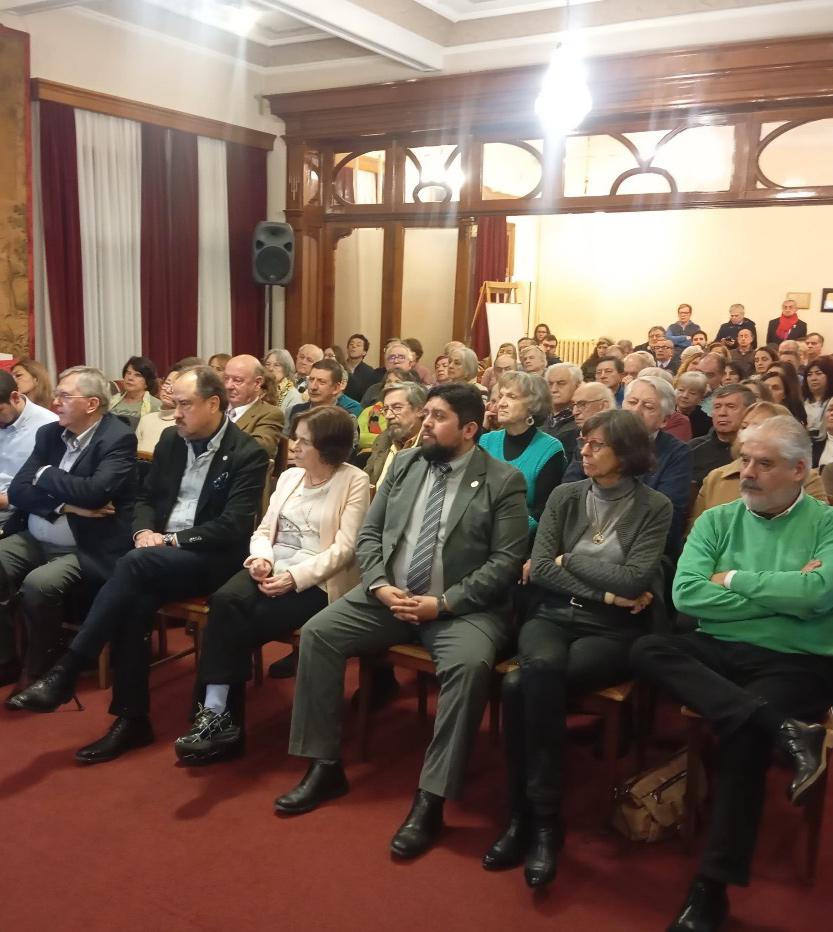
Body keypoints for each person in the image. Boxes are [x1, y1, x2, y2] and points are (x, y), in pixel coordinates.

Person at [274, 383, 528, 860]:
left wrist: (443, 604)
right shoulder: (407, 463)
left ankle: (431, 799)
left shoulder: (503, 480)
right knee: (320, 634)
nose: (425, 423)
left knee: (468, 667)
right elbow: (370, 533)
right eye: (426, 413)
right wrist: (377, 584)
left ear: (470, 429)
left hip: (461, 608)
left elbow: (506, 561)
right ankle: (324, 765)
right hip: (389, 595)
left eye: (438, 417)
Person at [631, 416, 833, 932]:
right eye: (745, 460)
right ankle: (783, 729)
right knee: (649, 647)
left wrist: (734, 579)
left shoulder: (826, 523)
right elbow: (687, 595)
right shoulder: (718, 519)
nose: (747, 472)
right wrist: (786, 594)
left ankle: (711, 888)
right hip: (720, 647)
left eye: (764, 463)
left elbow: (818, 595)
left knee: (742, 741)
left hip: (797, 658)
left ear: (799, 470)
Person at [10, 367, 269, 765]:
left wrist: (170, 540)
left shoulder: (247, 453)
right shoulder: (171, 440)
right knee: (134, 598)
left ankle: (68, 671)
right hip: (156, 557)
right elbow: (145, 499)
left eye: (185, 405)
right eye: (174, 403)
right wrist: (145, 530)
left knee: (133, 567)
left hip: (211, 558)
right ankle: (131, 719)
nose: (175, 413)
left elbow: (233, 526)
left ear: (213, 404)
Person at [484, 410, 672, 889]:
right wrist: (606, 591)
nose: (583, 451)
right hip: (551, 616)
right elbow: (543, 568)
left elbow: (635, 577)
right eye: (583, 442)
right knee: (534, 673)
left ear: (625, 454)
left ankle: (529, 817)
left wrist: (572, 560)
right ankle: (540, 818)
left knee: (520, 684)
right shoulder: (566, 496)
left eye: (596, 445)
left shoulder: (655, 506)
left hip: (611, 632)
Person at [173, 406, 370, 764]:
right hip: (273, 565)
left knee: (232, 623)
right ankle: (219, 717)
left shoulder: (353, 480)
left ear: (328, 448)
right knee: (224, 600)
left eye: (303, 441)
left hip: (318, 580)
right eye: (295, 437)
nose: (293, 446)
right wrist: (261, 558)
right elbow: (264, 529)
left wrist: (295, 578)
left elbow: (345, 549)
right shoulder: (290, 477)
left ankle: (217, 716)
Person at [0, 367, 136, 695]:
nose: (54, 402)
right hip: (36, 533)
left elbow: (95, 494)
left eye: (64, 396)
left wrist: (45, 474)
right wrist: (66, 506)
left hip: (86, 545)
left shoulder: (117, 438)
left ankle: (42, 667)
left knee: (39, 584)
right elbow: (18, 491)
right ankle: (6, 658)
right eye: (56, 394)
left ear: (92, 404)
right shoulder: (50, 434)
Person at [566, 376, 691, 554]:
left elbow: (667, 516)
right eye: (632, 402)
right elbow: (569, 493)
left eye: (648, 407)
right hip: (583, 534)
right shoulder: (592, 441)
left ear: (665, 420)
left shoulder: (676, 453)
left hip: (640, 547)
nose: (636, 411)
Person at [690, 402, 827, 525]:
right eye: (744, 426)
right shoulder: (715, 478)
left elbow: (815, 526)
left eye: (758, 427)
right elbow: (695, 532)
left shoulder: (808, 480)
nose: (748, 433)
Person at [479, 371, 566, 534]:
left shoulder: (550, 449)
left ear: (533, 406)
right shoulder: (485, 441)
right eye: (501, 396)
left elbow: (544, 512)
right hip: (478, 531)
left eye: (512, 397)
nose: (501, 404)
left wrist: (502, 527)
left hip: (521, 536)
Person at [0, 369, 58, 534]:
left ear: (15, 397)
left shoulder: (49, 426)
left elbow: (52, 488)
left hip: (18, 512)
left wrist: (8, 500)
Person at [689, 384, 756, 486]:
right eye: (717, 407)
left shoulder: (757, 450)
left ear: (749, 411)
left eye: (731, 406)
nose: (722, 413)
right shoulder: (692, 449)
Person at [135, 358, 202, 457]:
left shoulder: (185, 424)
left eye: (175, 386)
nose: (168, 390)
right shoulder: (146, 419)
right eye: (167, 383)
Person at [365, 382, 426, 489]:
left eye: (397, 408)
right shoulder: (383, 440)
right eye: (386, 409)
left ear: (420, 410)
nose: (388, 416)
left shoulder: (431, 446)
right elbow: (367, 481)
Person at [224, 354, 284, 458]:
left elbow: (258, 449)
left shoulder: (269, 414)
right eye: (226, 379)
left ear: (257, 383)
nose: (228, 386)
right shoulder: (216, 408)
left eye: (237, 380)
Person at [543, 363, 582, 460]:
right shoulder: (535, 419)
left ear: (577, 386)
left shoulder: (583, 422)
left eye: (561, 383)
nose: (553, 389)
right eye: (550, 384)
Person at [360, 342, 415, 407]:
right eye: (392, 357)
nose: (396, 361)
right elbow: (362, 412)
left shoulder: (418, 391)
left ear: (410, 364)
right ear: (386, 364)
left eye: (401, 357)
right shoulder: (373, 390)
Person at [108, 356, 160, 420]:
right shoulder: (112, 400)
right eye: (128, 373)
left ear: (147, 382)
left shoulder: (155, 405)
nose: (130, 378)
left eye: (137, 375)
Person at [263, 348, 303, 417]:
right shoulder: (259, 390)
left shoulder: (293, 395)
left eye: (276, 365)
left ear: (286, 368)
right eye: (267, 364)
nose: (270, 368)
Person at [803, 356, 833, 439]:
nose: (813, 378)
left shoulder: (831, 402)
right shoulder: (801, 401)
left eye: (819, 373)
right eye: (809, 375)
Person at [676, 371, 713, 439]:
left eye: (692, 393)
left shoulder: (706, 422)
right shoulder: (666, 413)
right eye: (681, 390)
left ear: (701, 397)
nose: (685, 395)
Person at [343, 333, 377, 402]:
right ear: (347, 349)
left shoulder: (369, 372)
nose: (353, 346)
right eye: (351, 344)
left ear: (364, 352)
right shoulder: (340, 367)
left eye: (358, 345)